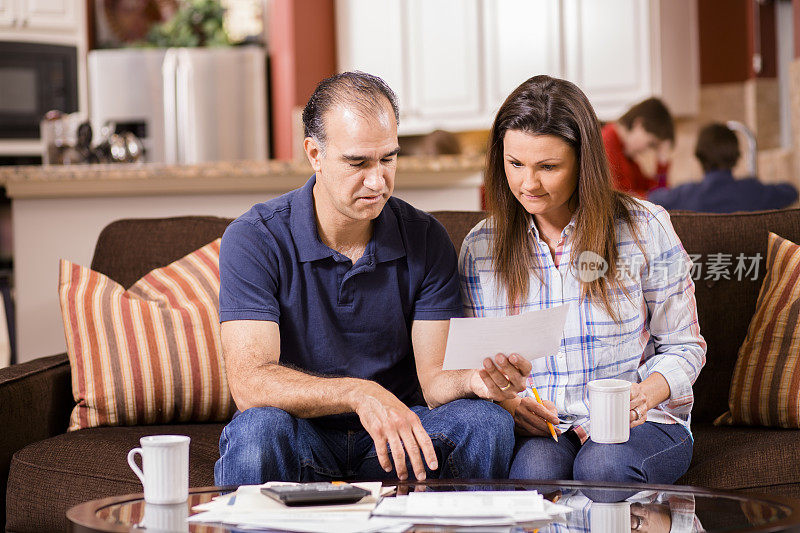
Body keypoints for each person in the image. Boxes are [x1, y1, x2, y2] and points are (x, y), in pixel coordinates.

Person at [214, 71, 523, 486]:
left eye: (388, 159)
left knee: (485, 423)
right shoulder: (255, 238)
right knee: (256, 432)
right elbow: (251, 383)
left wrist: (476, 381)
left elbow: (433, 384)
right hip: (301, 433)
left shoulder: (426, 237)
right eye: (358, 162)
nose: (378, 182)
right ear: (314, 154)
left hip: (399, 441)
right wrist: (360, 393)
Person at [459, 75, 706, 484]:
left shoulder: (644, 228)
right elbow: (475, 364)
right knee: (534, 473)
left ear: (583, 161)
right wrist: (509, 405)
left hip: (643, 420)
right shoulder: (481, 247)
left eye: (548, 167)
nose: (527, 184)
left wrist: (648, 392)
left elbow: (685, 344)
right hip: (547, 425)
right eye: (514, 164)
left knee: (602, 467)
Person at [649, 122, 799, 212]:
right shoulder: (752, 190)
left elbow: (652, 197)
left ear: (699, 157)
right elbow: (791, 192)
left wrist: (662, 166)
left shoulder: (684, 194)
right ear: (736, 156)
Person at [602, 97, 675, 198]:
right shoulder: (606, 144)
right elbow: (618, 199)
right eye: (651, 144)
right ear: (639, 124)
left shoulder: (627, 154)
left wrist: (662, 162)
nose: (647, 150)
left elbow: (659, 192)